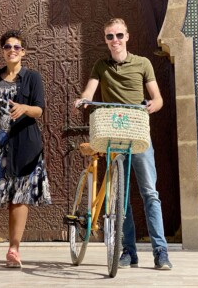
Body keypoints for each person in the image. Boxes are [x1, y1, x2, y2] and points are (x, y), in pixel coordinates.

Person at [74, 18, 172, 270]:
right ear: (105, 39)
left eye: (119, 35)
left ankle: (161, 252)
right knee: (121, 196)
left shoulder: (143, 63)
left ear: (127, 36)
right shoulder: (100, 65)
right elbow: (90, 91)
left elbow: (158, 99)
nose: (115, 40)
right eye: (110, 37)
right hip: (114, 135)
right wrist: (83, 100)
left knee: (150, 193)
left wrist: (153, 105)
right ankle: (128, 251)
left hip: (138, 135)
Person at [0, 29, 51, 268]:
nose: (12, 50)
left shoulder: (32, 77)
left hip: (24, 143)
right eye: (7, 47)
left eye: (16, 47)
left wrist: (24, 108)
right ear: (3, 51)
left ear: (23, 52)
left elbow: (39, 109)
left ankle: (13, 249)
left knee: (19, 197)